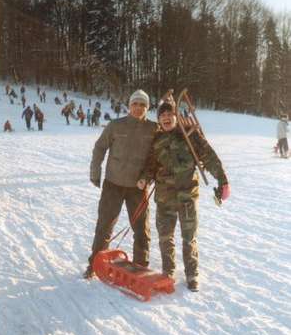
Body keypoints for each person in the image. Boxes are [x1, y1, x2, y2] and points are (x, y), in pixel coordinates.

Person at [137, 101, 230, 292]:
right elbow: (150, 166)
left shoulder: (189, 135)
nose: (166, 118)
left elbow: (209, 157)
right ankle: (168, 271)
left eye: (170, 115)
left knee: (189, 238)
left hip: (187, 197)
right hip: (164, 198)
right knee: (165, 237)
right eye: (162, 116)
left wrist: (222, 180)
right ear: (159, 120)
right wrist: (144, 179)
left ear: (176, 116)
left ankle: (192, 274)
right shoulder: (157, 140)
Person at [84, 89, 157, 279]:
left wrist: (146, 179)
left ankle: (140, 268)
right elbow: (99, 147)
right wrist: (95, 171)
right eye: (135, 104)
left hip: (138, 188)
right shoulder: (115, 125)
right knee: (104, 226)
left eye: (143, 105)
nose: (138, 108)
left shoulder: (153, 129)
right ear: (129, 105)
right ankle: (94, 264)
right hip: (113, 184)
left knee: (142, 229)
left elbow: (155, 159)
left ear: (147, 108)